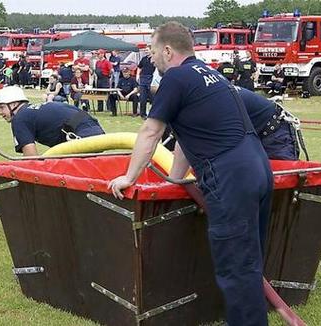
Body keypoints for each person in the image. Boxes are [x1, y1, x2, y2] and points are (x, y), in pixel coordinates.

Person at [109, 22, 271, 325]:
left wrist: (130, 178)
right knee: (249, 261)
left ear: (168, 50)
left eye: (154, 51)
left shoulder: (176, 77)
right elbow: (187, 136)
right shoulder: (210, 74)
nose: (152, 58)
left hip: (231, 174)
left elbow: (150, 131)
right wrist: (177, 177)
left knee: (237, 269)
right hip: (257, 166)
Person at [236, 86, 321, 295]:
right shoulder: (208, 91)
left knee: (295, 207)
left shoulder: (213, 96)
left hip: (274, 138)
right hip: (254, 139)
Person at [0, 86, 105, 156]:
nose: (0, 112)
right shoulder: (35, 110)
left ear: (14, 104)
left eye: (2, 107)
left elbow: (31, 157)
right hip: (95, 130)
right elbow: (80, 114)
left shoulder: (19, 119)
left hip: (80, 136)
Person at [137, 46, 155, 118]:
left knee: (152, 98)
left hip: (151, 78)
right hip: (143, 78)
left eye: (147, 50)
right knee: (143, 98)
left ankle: (153, 114)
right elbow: (139, 67)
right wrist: (137, 75)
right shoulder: (144, 59)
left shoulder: (154, 59)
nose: (146, 51)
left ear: (151, 50)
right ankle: (143, 114)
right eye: (145, 50)